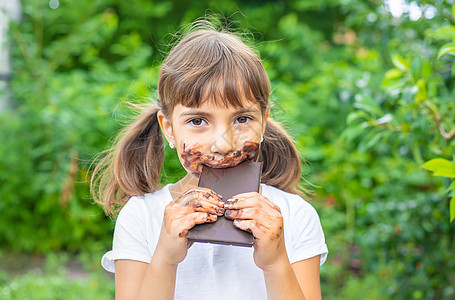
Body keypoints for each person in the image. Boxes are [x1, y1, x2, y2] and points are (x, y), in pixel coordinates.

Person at [92, 21, 328, 300]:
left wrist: (276, 262)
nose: (223, 143)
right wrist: (165, 259)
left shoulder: (294, 216)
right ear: (168, 128)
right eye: (198, 120)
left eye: (242, 119)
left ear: (263, 123)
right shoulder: (142, 217)